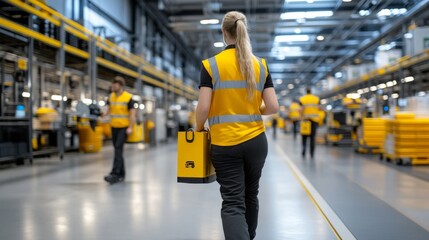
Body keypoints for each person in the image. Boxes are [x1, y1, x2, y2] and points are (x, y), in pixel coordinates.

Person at [195, 11, 278, 240]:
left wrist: (199, 128)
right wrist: (254, 111)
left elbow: (203, 108)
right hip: (256, 142)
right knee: (251, 195)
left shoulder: (211, 65)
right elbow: (272, 107)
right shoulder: (260, 65)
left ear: (224, 32)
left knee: (233, 202)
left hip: (225, 144)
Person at [103, 76, 136, 183]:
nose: (113, 86)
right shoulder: (111, 96)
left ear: (120, 86)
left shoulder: (128, 97)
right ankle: (122, 173)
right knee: (118, 150)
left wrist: (130, 127)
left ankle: (115, 174)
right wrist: (100, 114)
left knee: (118, 148)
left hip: (124, 127)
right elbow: (107, 110)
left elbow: (132, 114)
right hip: (114, 127)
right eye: (113, 84)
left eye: (115, 85)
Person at [299, 87, 320, 158]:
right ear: (311, 91)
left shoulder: (302, 99)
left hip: (305, 120)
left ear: (306, 91)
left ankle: (304, 149)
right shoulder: (316, 99)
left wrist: (301, 117)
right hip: (314, 121)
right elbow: (319, 108)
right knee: (312, 137)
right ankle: (312, 153)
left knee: (304, 137)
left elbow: (300, 110)